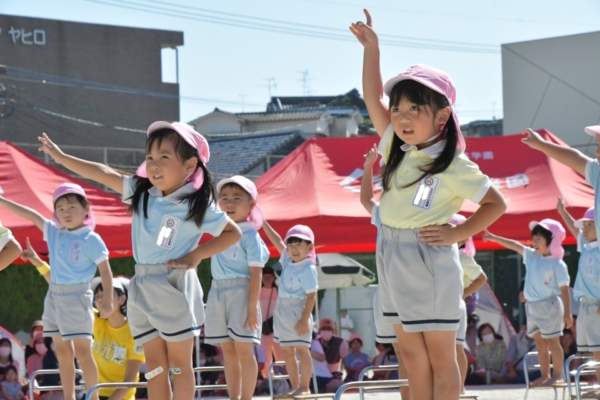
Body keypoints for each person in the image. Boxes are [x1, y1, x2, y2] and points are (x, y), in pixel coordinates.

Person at [350, 9, 506, 400]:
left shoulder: (453, 163)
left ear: (442, 116)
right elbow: (372, 96)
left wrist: (458, 232)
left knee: (440, 357)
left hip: (428, 258)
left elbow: (496, 203)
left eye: (413, 109)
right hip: (390, 250)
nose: (401, 116)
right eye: (398, 108)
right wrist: (373, 48)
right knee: (411, 356)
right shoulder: (396, 147)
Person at [37, 122, 242, 400]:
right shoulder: (142, 192)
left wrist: (196, 255)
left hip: (173, 283)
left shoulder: (197, 203)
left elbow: (233, 232)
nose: (154, 164)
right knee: (155, 367)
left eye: (164, 157)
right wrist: (62, 158)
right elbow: (104, 172)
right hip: (140, 284)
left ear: (190, 164)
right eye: (150, 157)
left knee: (180, 366)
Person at [0, 182, 114, 400]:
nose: (66, 213)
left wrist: (107, 301)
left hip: (77, 296)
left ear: (86, 208)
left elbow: (105, 271)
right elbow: (32, 215)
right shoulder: (55, 233)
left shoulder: (91, 238)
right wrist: (2, 201)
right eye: (60, 209)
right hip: (53, 296)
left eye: (72, 207)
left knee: (83, 352)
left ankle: (93, 397)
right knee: (62, 353)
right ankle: (69, 397)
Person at [483, 219, 572, 385]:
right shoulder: (531, 256)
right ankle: (545, 375)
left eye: (539, 238)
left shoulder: (557, 264)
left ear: (551, 240)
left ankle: (558, 375)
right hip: (532, 307)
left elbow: (565, 289)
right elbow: (515, 245)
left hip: (550, 306)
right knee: (539, 342)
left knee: (553, 342)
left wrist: (567, 313)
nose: (535, 241)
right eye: (534, 238)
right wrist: (494, 238)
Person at [205, 175, 269, 400]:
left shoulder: (251, 235)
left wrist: (252, 307)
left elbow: (256, 274)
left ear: (251, 204)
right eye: (224, 198)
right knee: (228, 352)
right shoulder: (218, 231)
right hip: (218, 292)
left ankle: (246, 398)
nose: (229, 203)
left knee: (244, 350)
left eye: (237, 198)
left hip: (242, 293)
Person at [360, 144, 410, 399]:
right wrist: (368, 167)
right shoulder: (383, 211)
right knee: (403, 354)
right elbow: (366, 199)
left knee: (416, 354)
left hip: (412, 288)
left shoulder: (415, 209)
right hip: (390, 292)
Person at [262, 223, 318, 397]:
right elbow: (277, 240)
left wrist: (303, 320)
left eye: (299, 244)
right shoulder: (287, 259)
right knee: (286, 350)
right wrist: (263, 222)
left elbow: (311, 296)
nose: (293, 249)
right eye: (291, 244)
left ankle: (305, 386)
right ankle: (294, 385)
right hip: (282, 310)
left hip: (298, 309)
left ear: (309, 247)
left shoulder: (308, 267)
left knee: (302, 349)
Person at [557, 201, 600, 387]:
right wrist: (563, 212)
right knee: (596, 353)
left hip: (598, 304)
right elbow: (574, 231)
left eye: (591, 224)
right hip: (586, 304)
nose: (585, 229)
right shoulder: (587, 245)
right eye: (585, 225)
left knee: (599, 351)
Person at [450, 213, 488, 393]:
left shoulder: (462, 257)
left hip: (456, 307)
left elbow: (482, 278)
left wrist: (463, 294)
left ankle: (460, 388)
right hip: (441, 307)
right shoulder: (443, 254)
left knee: (457, 348)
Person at [91, 276, 145, 400]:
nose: (100, 299)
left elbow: (129, 381)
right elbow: (70, 298)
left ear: (122, 299)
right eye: (97, 296)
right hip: (94, 393)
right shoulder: (96, 320)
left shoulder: (135, 333)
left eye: (106, 294)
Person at [259, 266, 283, 378]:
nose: (267, 278)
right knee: (265, 358)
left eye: (269, 276)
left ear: (274, 277)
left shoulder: (279, 290)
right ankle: (267, 380)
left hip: (277, 329)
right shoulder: (257, 290)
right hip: (261, 329)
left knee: (281, 356)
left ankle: (284, 379)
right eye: (264, 276)